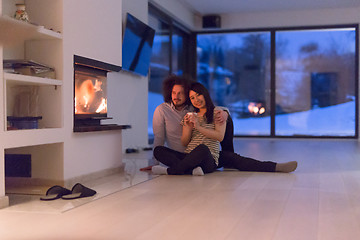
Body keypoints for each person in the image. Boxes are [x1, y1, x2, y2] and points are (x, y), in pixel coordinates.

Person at [142, 75, 297, 174]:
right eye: (174, 93)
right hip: (184, 155)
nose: (177, 96)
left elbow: (214, 112)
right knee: (159, 150)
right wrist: (188, 128)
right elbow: (161, 138)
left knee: (237, 159)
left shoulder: (193, 109)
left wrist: (225, 113)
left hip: (209, 154)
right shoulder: (164, 110)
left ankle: (276, 167)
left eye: (181, 93)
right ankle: (189, 168)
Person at [151, 82, 226, 175]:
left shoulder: (217, 113)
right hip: (189, 156)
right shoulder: (190, 114)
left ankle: (170, 171)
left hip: (208, 159)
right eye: (192, 98)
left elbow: (220, 137)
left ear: (205, 94)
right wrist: (189, 129)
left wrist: (198, 127)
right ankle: (191, 170)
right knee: (158, 150)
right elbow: (184, 142)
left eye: (198, 95)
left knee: (202, 149)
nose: (196, 100)